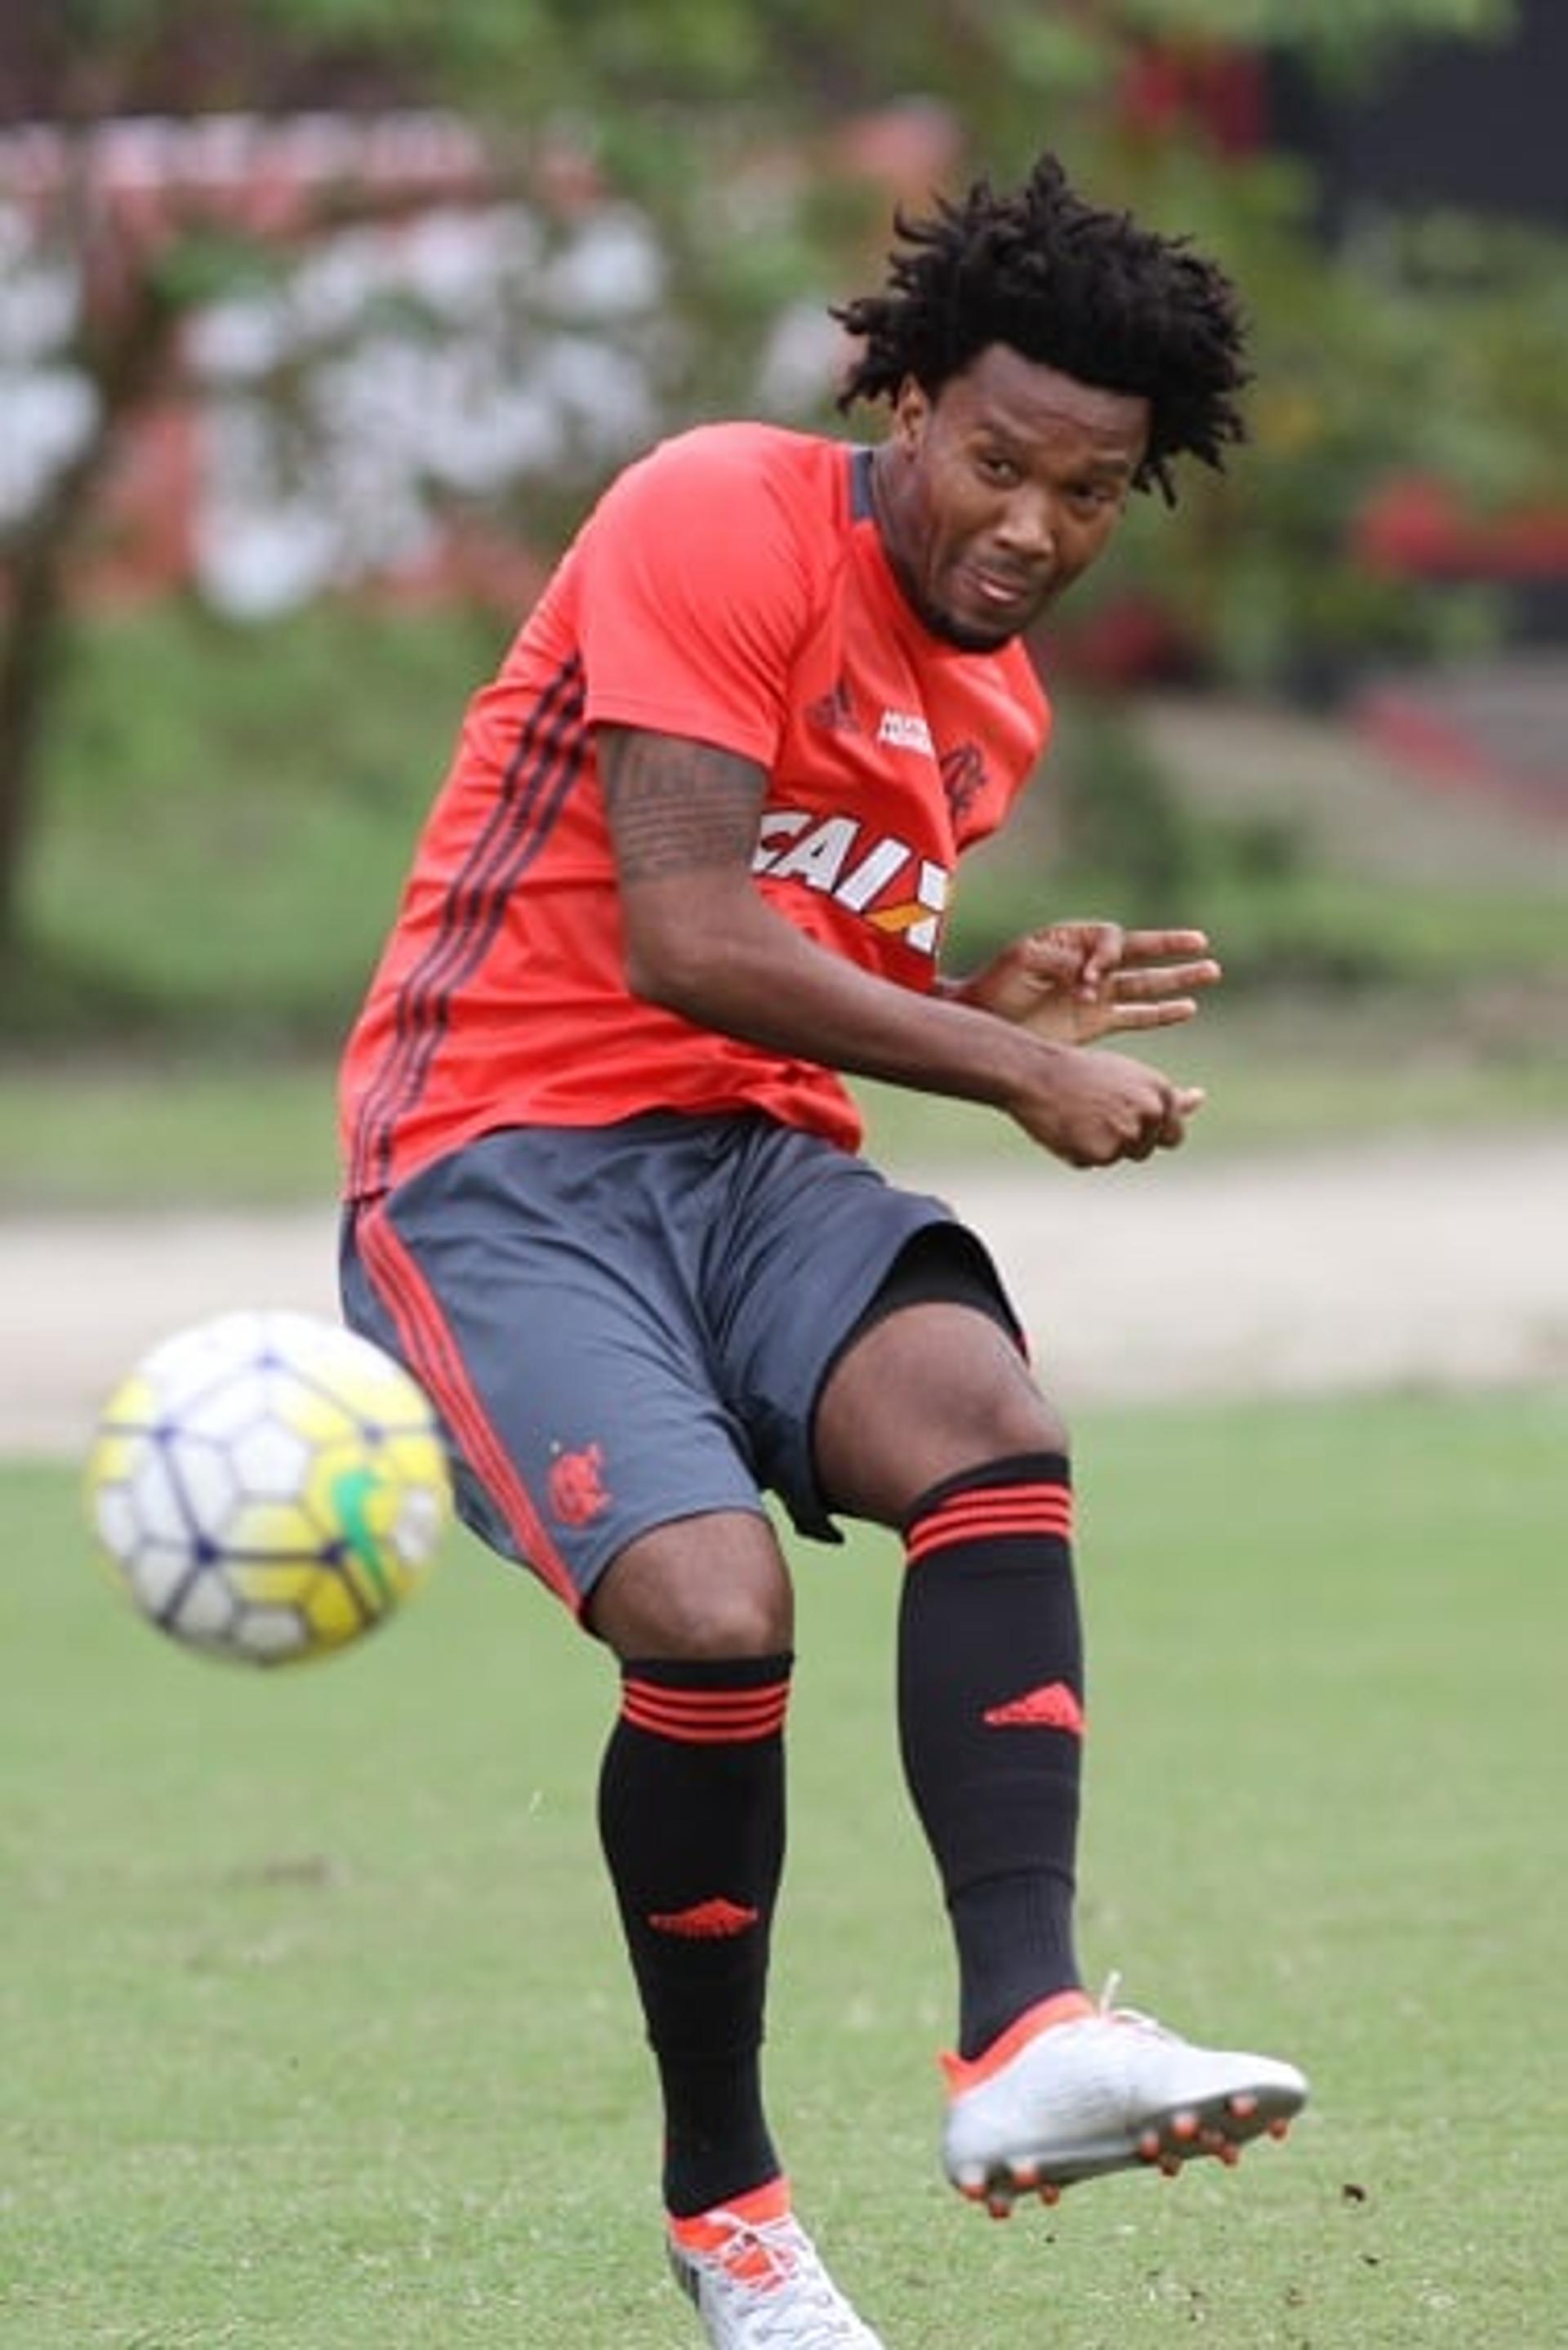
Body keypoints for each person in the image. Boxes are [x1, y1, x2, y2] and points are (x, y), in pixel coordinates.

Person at [337, 150, 1308, 2349]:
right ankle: (734, 2218)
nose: (1034, 527)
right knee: (708, 1607)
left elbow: (799, 963)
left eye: (1090, 492)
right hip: (497, 1152)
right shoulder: (713, 511)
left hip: (749, 1164)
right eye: (998, 461)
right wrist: (1006, 1076)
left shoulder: (994, 713)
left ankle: (1027, 2037)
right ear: (905, 402)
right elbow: (685, 935)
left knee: (985, 1418)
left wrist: (982, 1007)